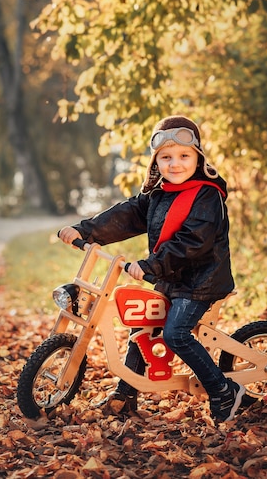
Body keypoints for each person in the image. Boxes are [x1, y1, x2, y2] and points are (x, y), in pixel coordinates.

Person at [58, 115, 245, 422]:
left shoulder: (207, 195)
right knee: (140, 325)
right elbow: (125, 215)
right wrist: (84, 231)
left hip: (200, 282)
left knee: (175, 334)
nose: (175, 164)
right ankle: (126, 394)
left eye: (184, 156)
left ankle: (223, 389)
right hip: (171, 279)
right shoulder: (159, 193)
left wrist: (150, 265)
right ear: (156, 162)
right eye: (166, 157)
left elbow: (191, 242)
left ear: (198, 158)